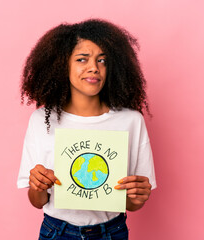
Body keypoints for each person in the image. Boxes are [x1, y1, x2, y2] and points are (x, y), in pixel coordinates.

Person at [17, 19, 156, 240]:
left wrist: (138, 197)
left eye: (102, 60)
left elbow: (131, 204)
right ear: (62, 65)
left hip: (112, 232)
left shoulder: (131, 121)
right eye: (82, 59)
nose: (94, 67)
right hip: (57, 232)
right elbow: (38, 201)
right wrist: (38, 185)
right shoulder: (41, 120)